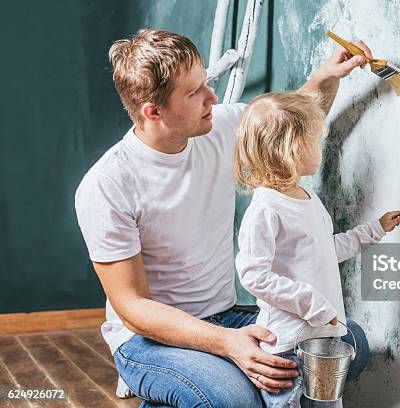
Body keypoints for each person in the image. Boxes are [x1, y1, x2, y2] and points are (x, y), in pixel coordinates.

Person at [74, 28, 374, 407]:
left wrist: (326, 76)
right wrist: (228, 345)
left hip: (226, 315)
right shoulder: (106, 185)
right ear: (154, 111)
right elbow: (133, 308)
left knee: (347, 347)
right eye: (194, 92)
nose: (211, 97)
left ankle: (213, 384)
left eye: (206, 84)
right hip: (148, 340)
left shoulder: (218, 126)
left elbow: (289, 124)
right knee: (235, 400)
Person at [234, 91, 400, 407]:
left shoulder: (306, 198)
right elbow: (253, 275)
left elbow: (323, 252)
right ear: (291, 149)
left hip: (323, 336)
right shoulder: (266, 208)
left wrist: (375, 229)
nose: (320, 148)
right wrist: (311, 303)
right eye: (314, 140)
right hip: (288, 343)